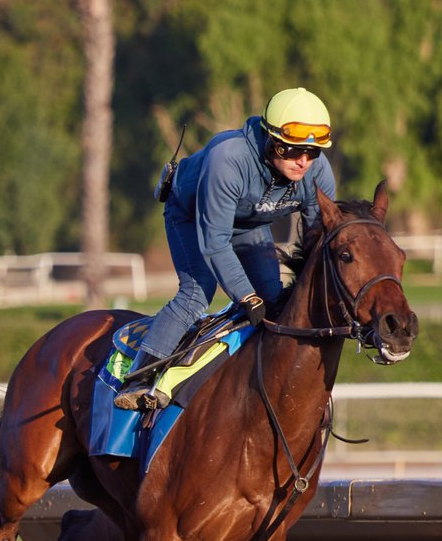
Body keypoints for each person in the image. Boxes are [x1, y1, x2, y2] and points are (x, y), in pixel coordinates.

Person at [115, 87, 337, 411]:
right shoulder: (228, 159)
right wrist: (246, 297)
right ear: (271, 139)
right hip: (193, 217)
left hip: (250, 222)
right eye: (293, 150)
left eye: (313, 152)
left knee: (273, 300)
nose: (304, 161)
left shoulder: (317, 171)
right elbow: (215, 242)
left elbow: (318, 240)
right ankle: (140, 377)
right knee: (197, 293)